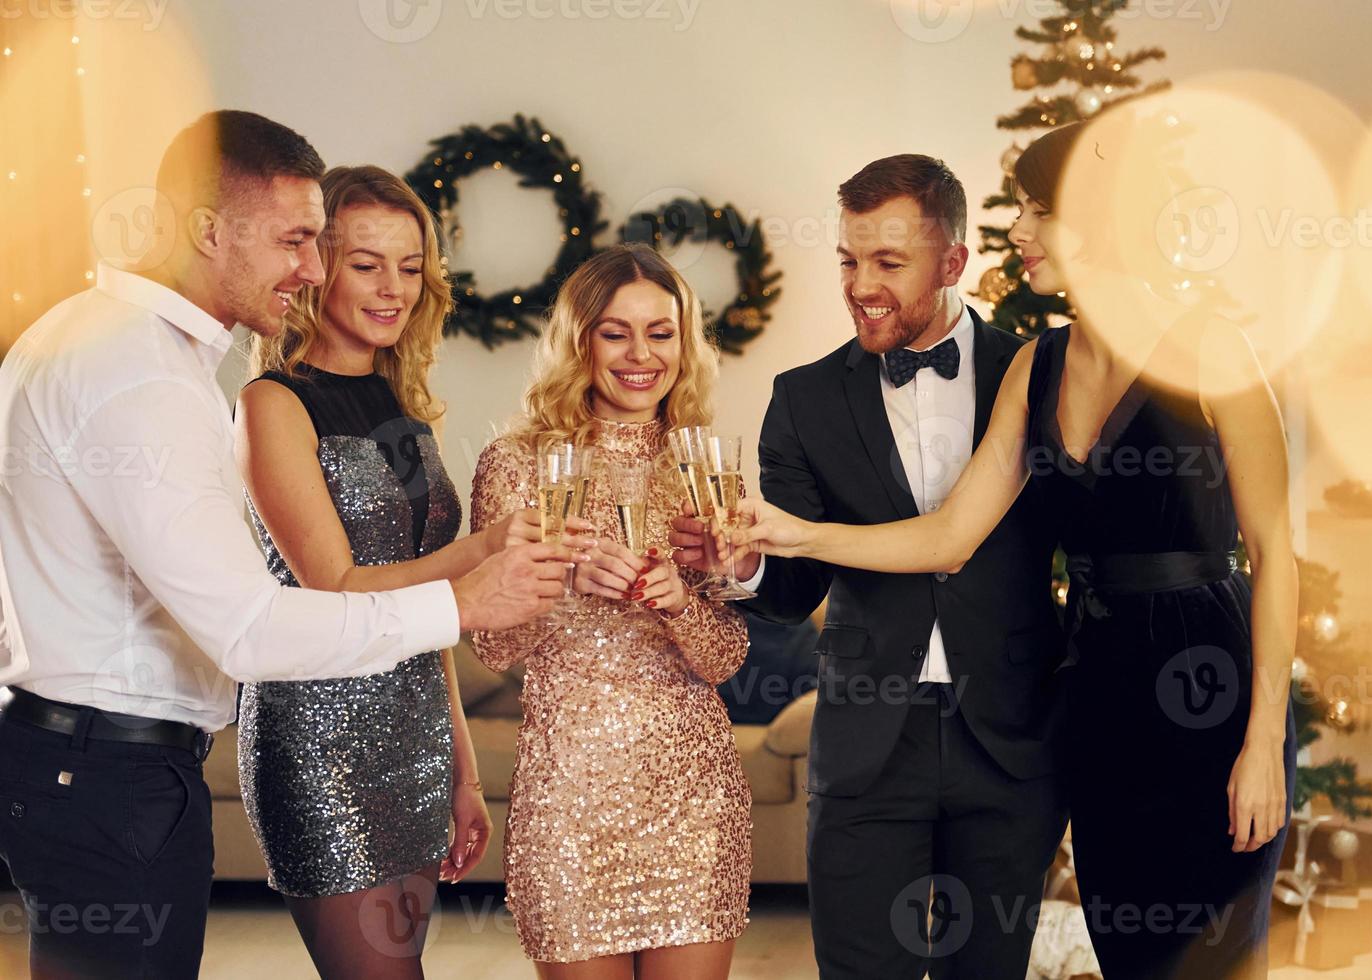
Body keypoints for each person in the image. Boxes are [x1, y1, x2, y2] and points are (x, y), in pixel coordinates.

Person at [0, 111, 579, 979]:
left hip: (118, 767)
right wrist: (466, 594)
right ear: (207, 231)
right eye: (299, 242)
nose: (310, 268)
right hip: (126, 768)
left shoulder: (134, 350)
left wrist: (456, 749)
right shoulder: (146, 373)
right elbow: (254, 628)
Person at [731, 118, 1297, 979]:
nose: (1018, 232)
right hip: (1098, 700)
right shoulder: (1039, 366)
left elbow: (1275, 553)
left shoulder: (1215, 349)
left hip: (1210, 694)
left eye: (1038, 210)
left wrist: (1262, 743)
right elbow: (950, 535)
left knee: (1215, 959)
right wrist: (799, 534)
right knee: (1131, 950)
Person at [672, 154, 1068, 979]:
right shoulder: (804, 398)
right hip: (865, 745)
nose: (861, 284)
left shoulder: (1037, 375)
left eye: (890, 261)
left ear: (954, 261)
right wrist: (743, 567)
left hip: (1010, 739)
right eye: (850, 260)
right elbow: (791, 590)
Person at [234, 165, 591, 977]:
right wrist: (484, 549)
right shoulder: (272, 405)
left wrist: (462, 766)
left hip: (417, 735)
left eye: (408, 266)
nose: (393, 288)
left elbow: (431, 617)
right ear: (317, 266)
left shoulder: (403, 406)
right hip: (320, 739)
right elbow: (336, 588)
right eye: (365, 264)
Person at [470, 243, 752, 979]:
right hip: (569, 797)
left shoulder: (704, 468)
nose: (640, 354)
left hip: (694, 797)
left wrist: (679, 602)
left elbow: (725, 658)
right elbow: (492, 647)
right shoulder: (516, 464)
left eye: (661, 333)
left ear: (683, 344)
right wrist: (565, 578)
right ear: (580, 339)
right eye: (614, 331)